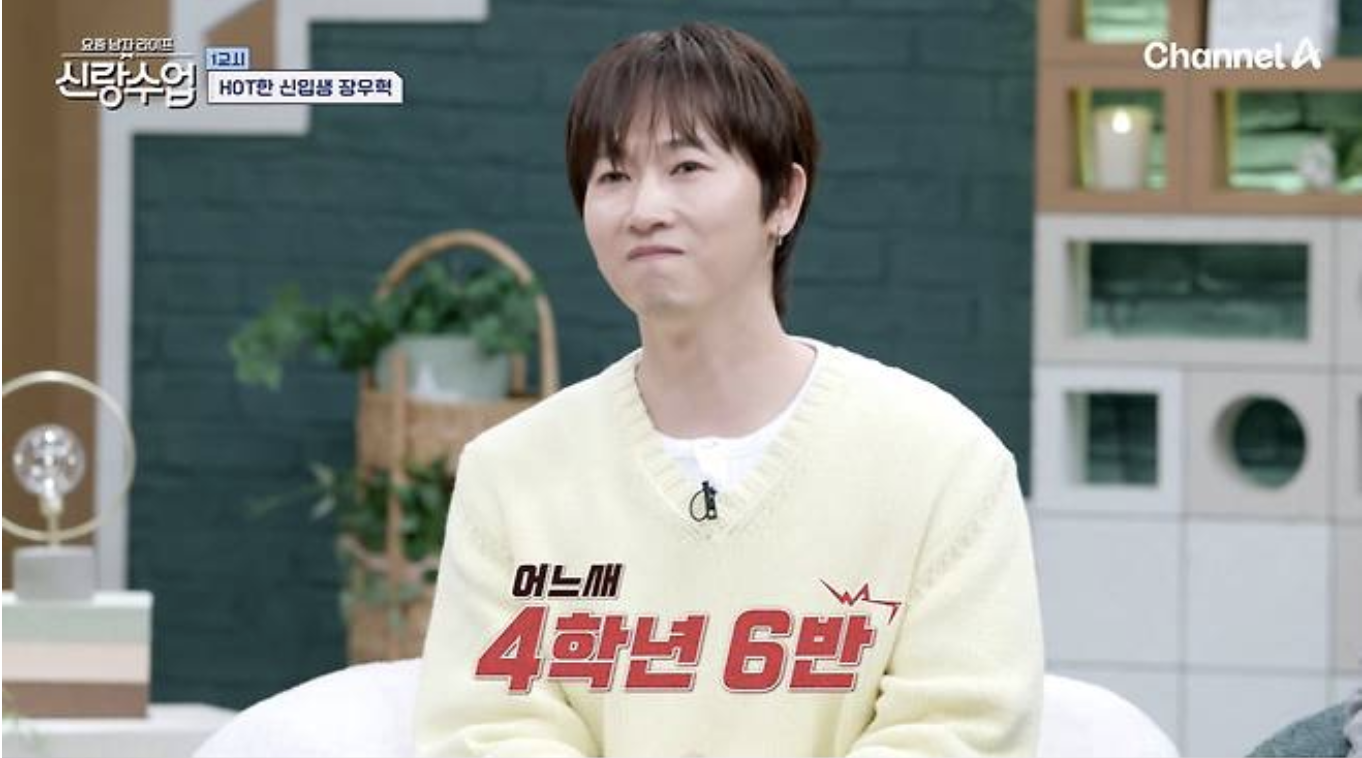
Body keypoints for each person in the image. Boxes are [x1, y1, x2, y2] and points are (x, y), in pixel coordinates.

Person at [415, 21, 1043, 757]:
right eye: (613, 176)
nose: (645, 208)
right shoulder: (510, 475)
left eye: (686, 166)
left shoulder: (942, 463)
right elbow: (488, 732)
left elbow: (959, 731)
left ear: (784, 199)